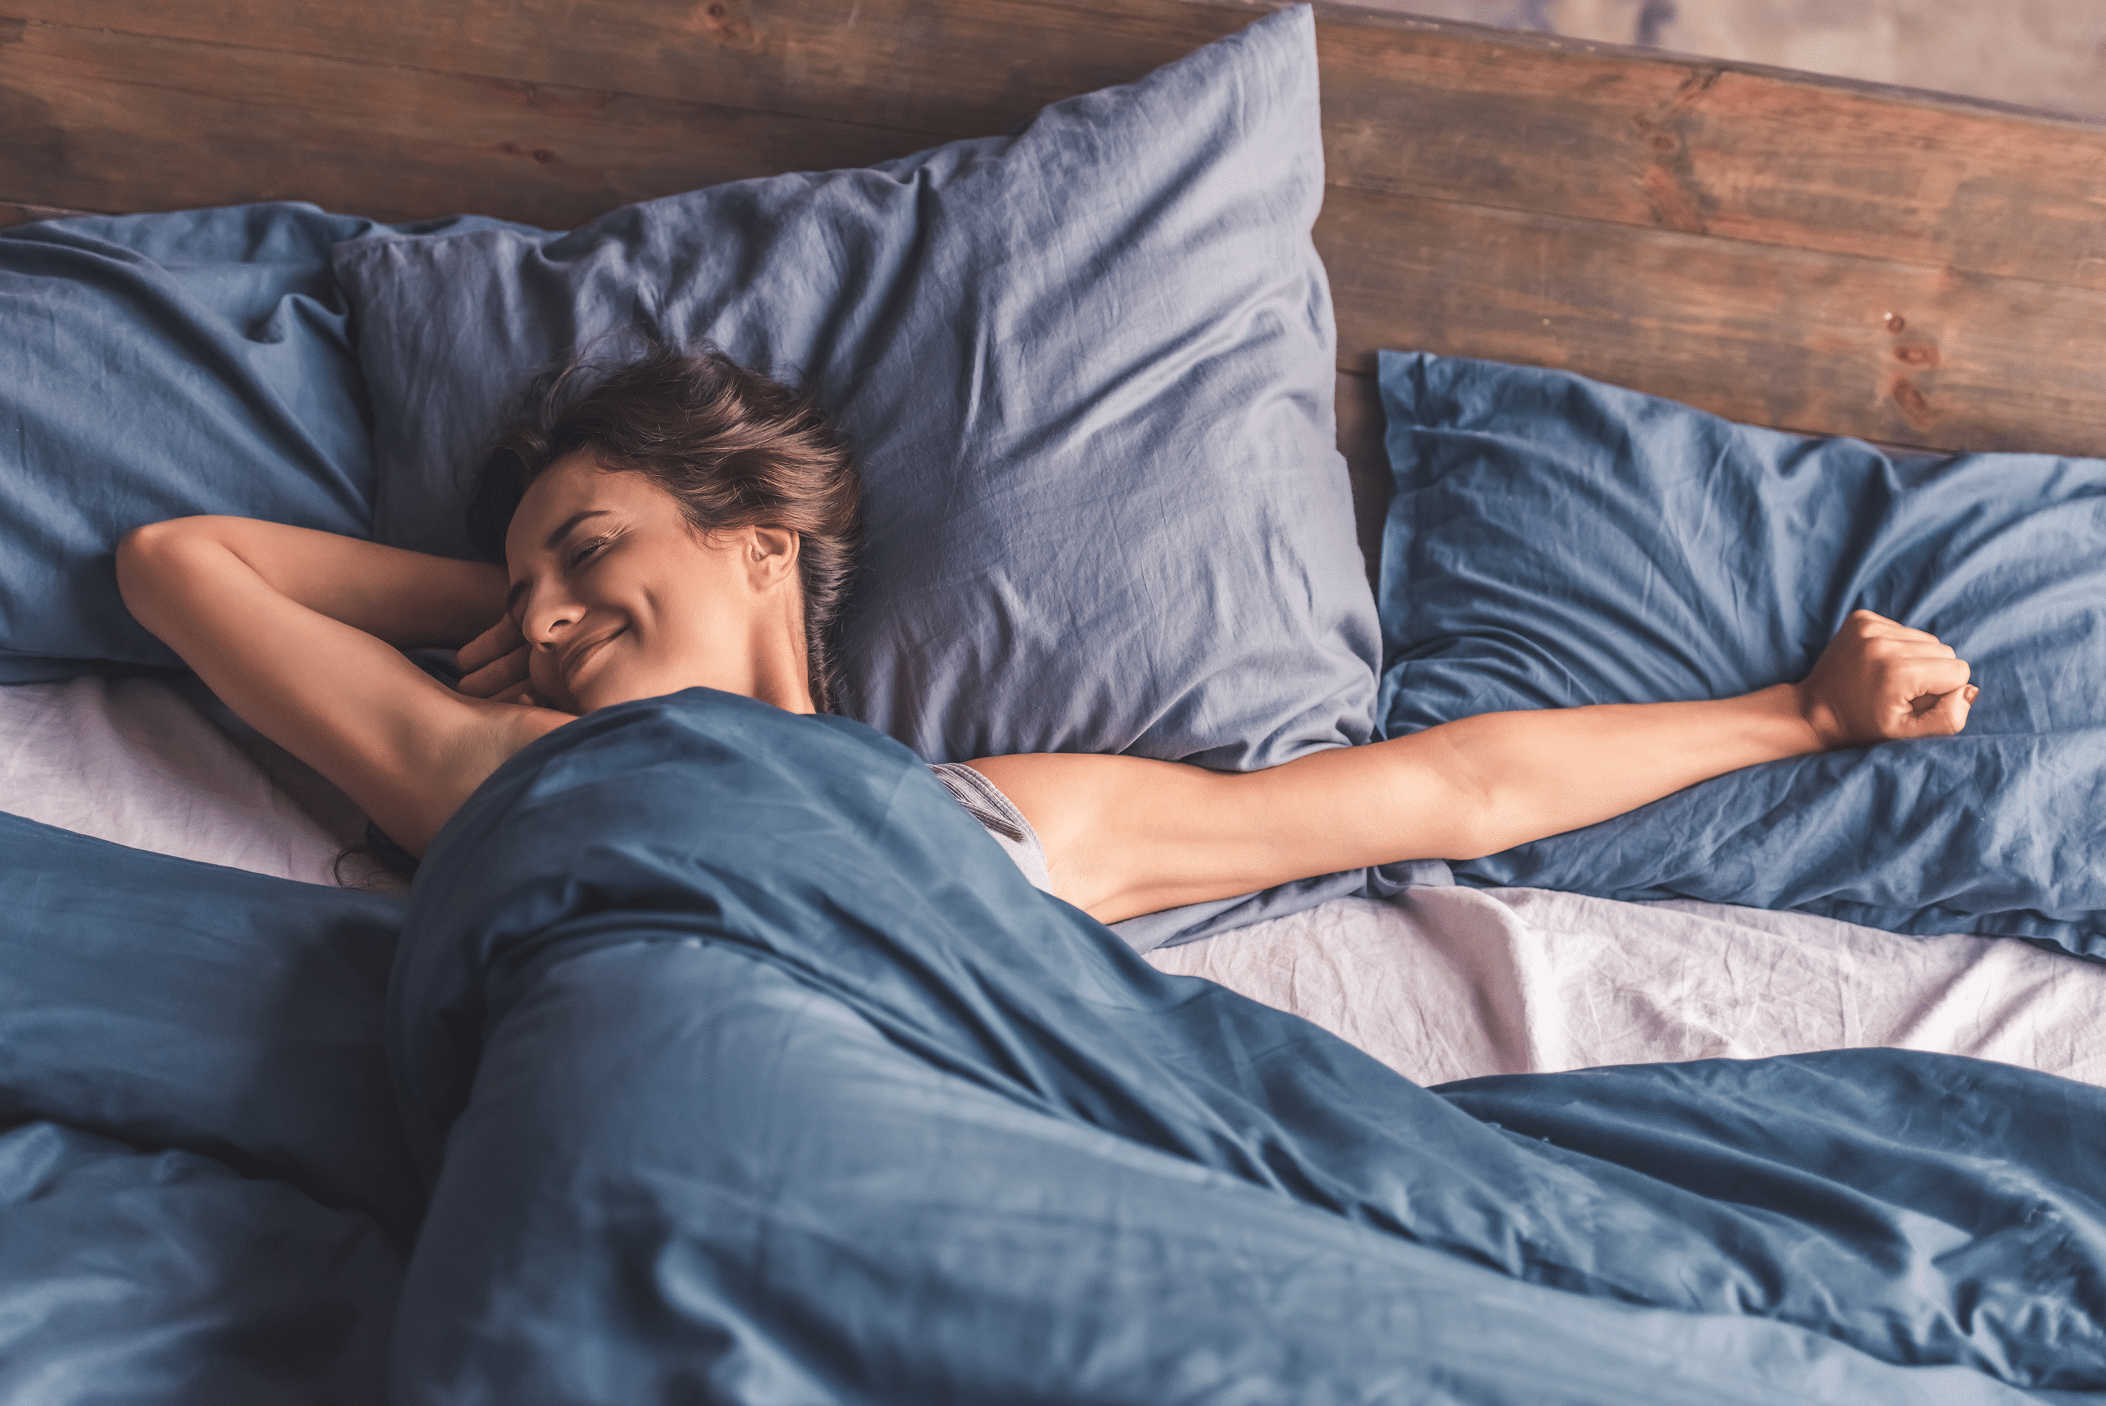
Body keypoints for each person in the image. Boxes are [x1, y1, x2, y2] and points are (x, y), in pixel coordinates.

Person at [116, 346, 1978, 924]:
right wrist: (534, 617)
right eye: (517, 580)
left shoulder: (1000, 814)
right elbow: (177, 561)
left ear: (761, 544)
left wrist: (1795, 720)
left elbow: (1447, 789)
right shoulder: (499, 769)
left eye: (590, 540)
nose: (539, 601)